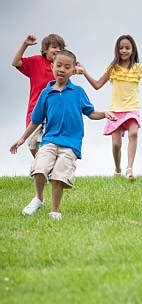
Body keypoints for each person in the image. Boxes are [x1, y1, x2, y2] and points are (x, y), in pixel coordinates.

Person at [10, 50, 115, 220]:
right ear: (52, 67)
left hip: (70, 144)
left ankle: (55, 210)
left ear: (73, 70)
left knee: (59, 176)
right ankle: (38, 198)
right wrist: (21, 139)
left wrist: (105, 114)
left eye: (67, 67)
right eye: (59, 65)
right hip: (49, 140)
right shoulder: (46, 93)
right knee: (39, 168)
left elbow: (91, 113)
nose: (62, 69)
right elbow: (36, 120)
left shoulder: (78, 92)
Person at [77, 35, 142, 180]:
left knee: (133, 134)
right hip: (115, 111)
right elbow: (97, 85)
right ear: (117, 50)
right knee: (116, 144)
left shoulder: (138, 68)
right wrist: (85, 72)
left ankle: (129, 169)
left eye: (127, 48)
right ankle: (118, 169)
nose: (124, 50)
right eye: (121, 48)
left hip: (132, 109)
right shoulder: (113, 68)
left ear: (133, 50)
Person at [12, 33, 66, 157]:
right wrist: (25, 45)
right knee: (32, 142)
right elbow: (15, 62)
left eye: (61, 48)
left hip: (54, 111)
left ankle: (49, 169)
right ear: (45, 49)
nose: (58, 50)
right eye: (54, 47)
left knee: (51, 143)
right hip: (35, 109)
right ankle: (42, 166)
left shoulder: (62, 67)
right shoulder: (36, 62)